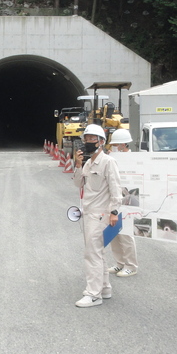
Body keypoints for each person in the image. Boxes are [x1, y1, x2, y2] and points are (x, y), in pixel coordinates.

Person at [72, 124, 121, 307]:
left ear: (101, 142)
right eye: (86, 139)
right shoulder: (88, 162)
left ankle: (93, 294)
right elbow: (79, 184)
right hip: (89, 213)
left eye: (92, 139)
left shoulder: (108, 162)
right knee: (98, 252)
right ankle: (105, 288)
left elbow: (116, 188)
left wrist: (114, 211)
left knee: (91, 254)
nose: (88, 142)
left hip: (101, 214)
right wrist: (77, 165)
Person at [106, 128, 138, 278]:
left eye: (117, 144)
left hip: (126, 200)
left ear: (125, 144)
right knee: (114, 234)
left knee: (125, 234)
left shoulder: (134, 160)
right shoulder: (112, 158)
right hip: (113, 200)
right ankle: (119, 263)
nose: (115, 147)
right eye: (114, 144)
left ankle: (131, 265)